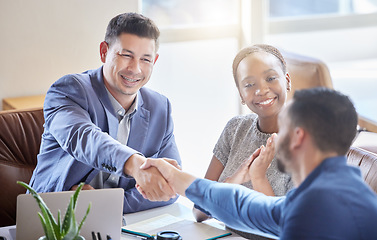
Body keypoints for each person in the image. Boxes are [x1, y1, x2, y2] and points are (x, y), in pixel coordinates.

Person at [139, 88, 377, 239]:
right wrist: (173, 175)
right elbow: (244, 206)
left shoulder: (316, 207)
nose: (274, 136)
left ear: (298, 136)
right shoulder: (338, 190)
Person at [29, 12, 181, 213]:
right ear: (104, 52)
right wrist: (136, 165)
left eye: (146, 59)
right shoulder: (68, 90)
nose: (135, 69)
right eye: (126, 55)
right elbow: (85, 139)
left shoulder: (159, 107)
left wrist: (106, 205)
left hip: (121, 224)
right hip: (53, 217)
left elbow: (170, 187)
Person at [193, 44, 293, 239]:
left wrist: (258, 178)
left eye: (271, 78)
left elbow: (288, 229)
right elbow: (199, 211)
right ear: (241, 94)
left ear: (287, 80)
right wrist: (232, 182)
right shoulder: (236, 129)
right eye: (249, 84)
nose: (262, 90)